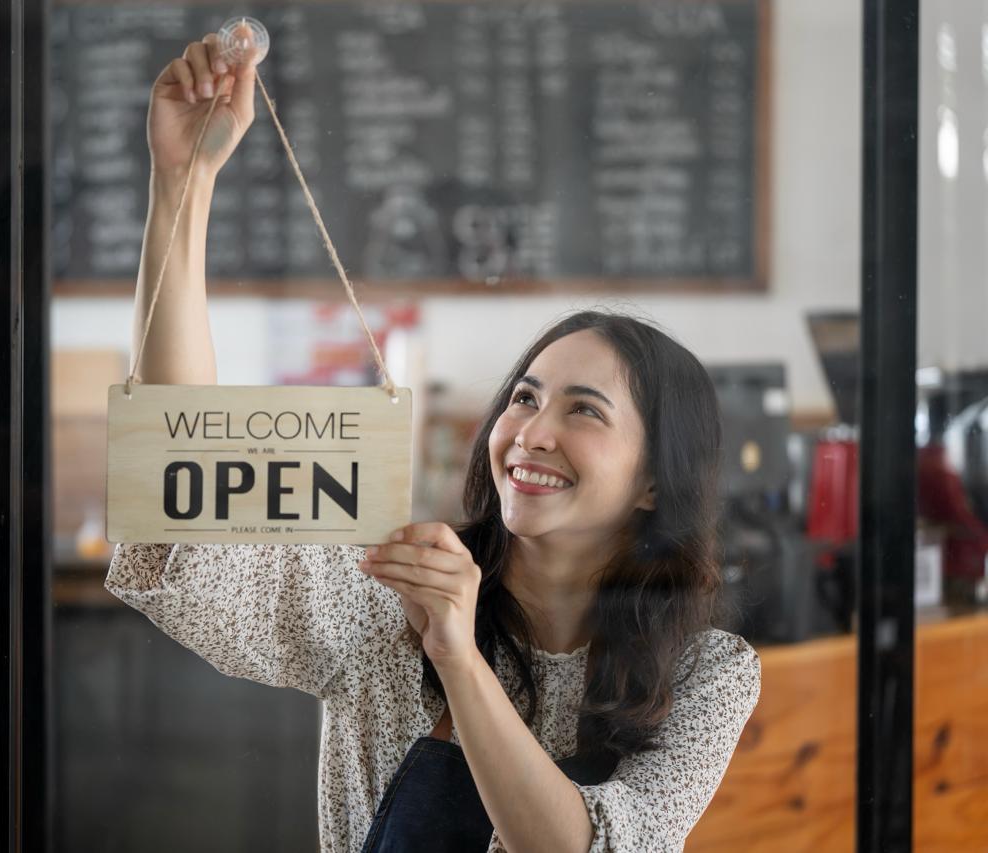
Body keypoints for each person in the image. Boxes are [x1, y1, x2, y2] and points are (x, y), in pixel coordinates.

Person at [106, 29, 762, 853]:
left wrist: (458, 653)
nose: (530, 431)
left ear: (654, 482)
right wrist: (182, 182)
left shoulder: (707, 673)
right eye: (524, 397)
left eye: (584, 411)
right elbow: (180, 504)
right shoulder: (392, 595)